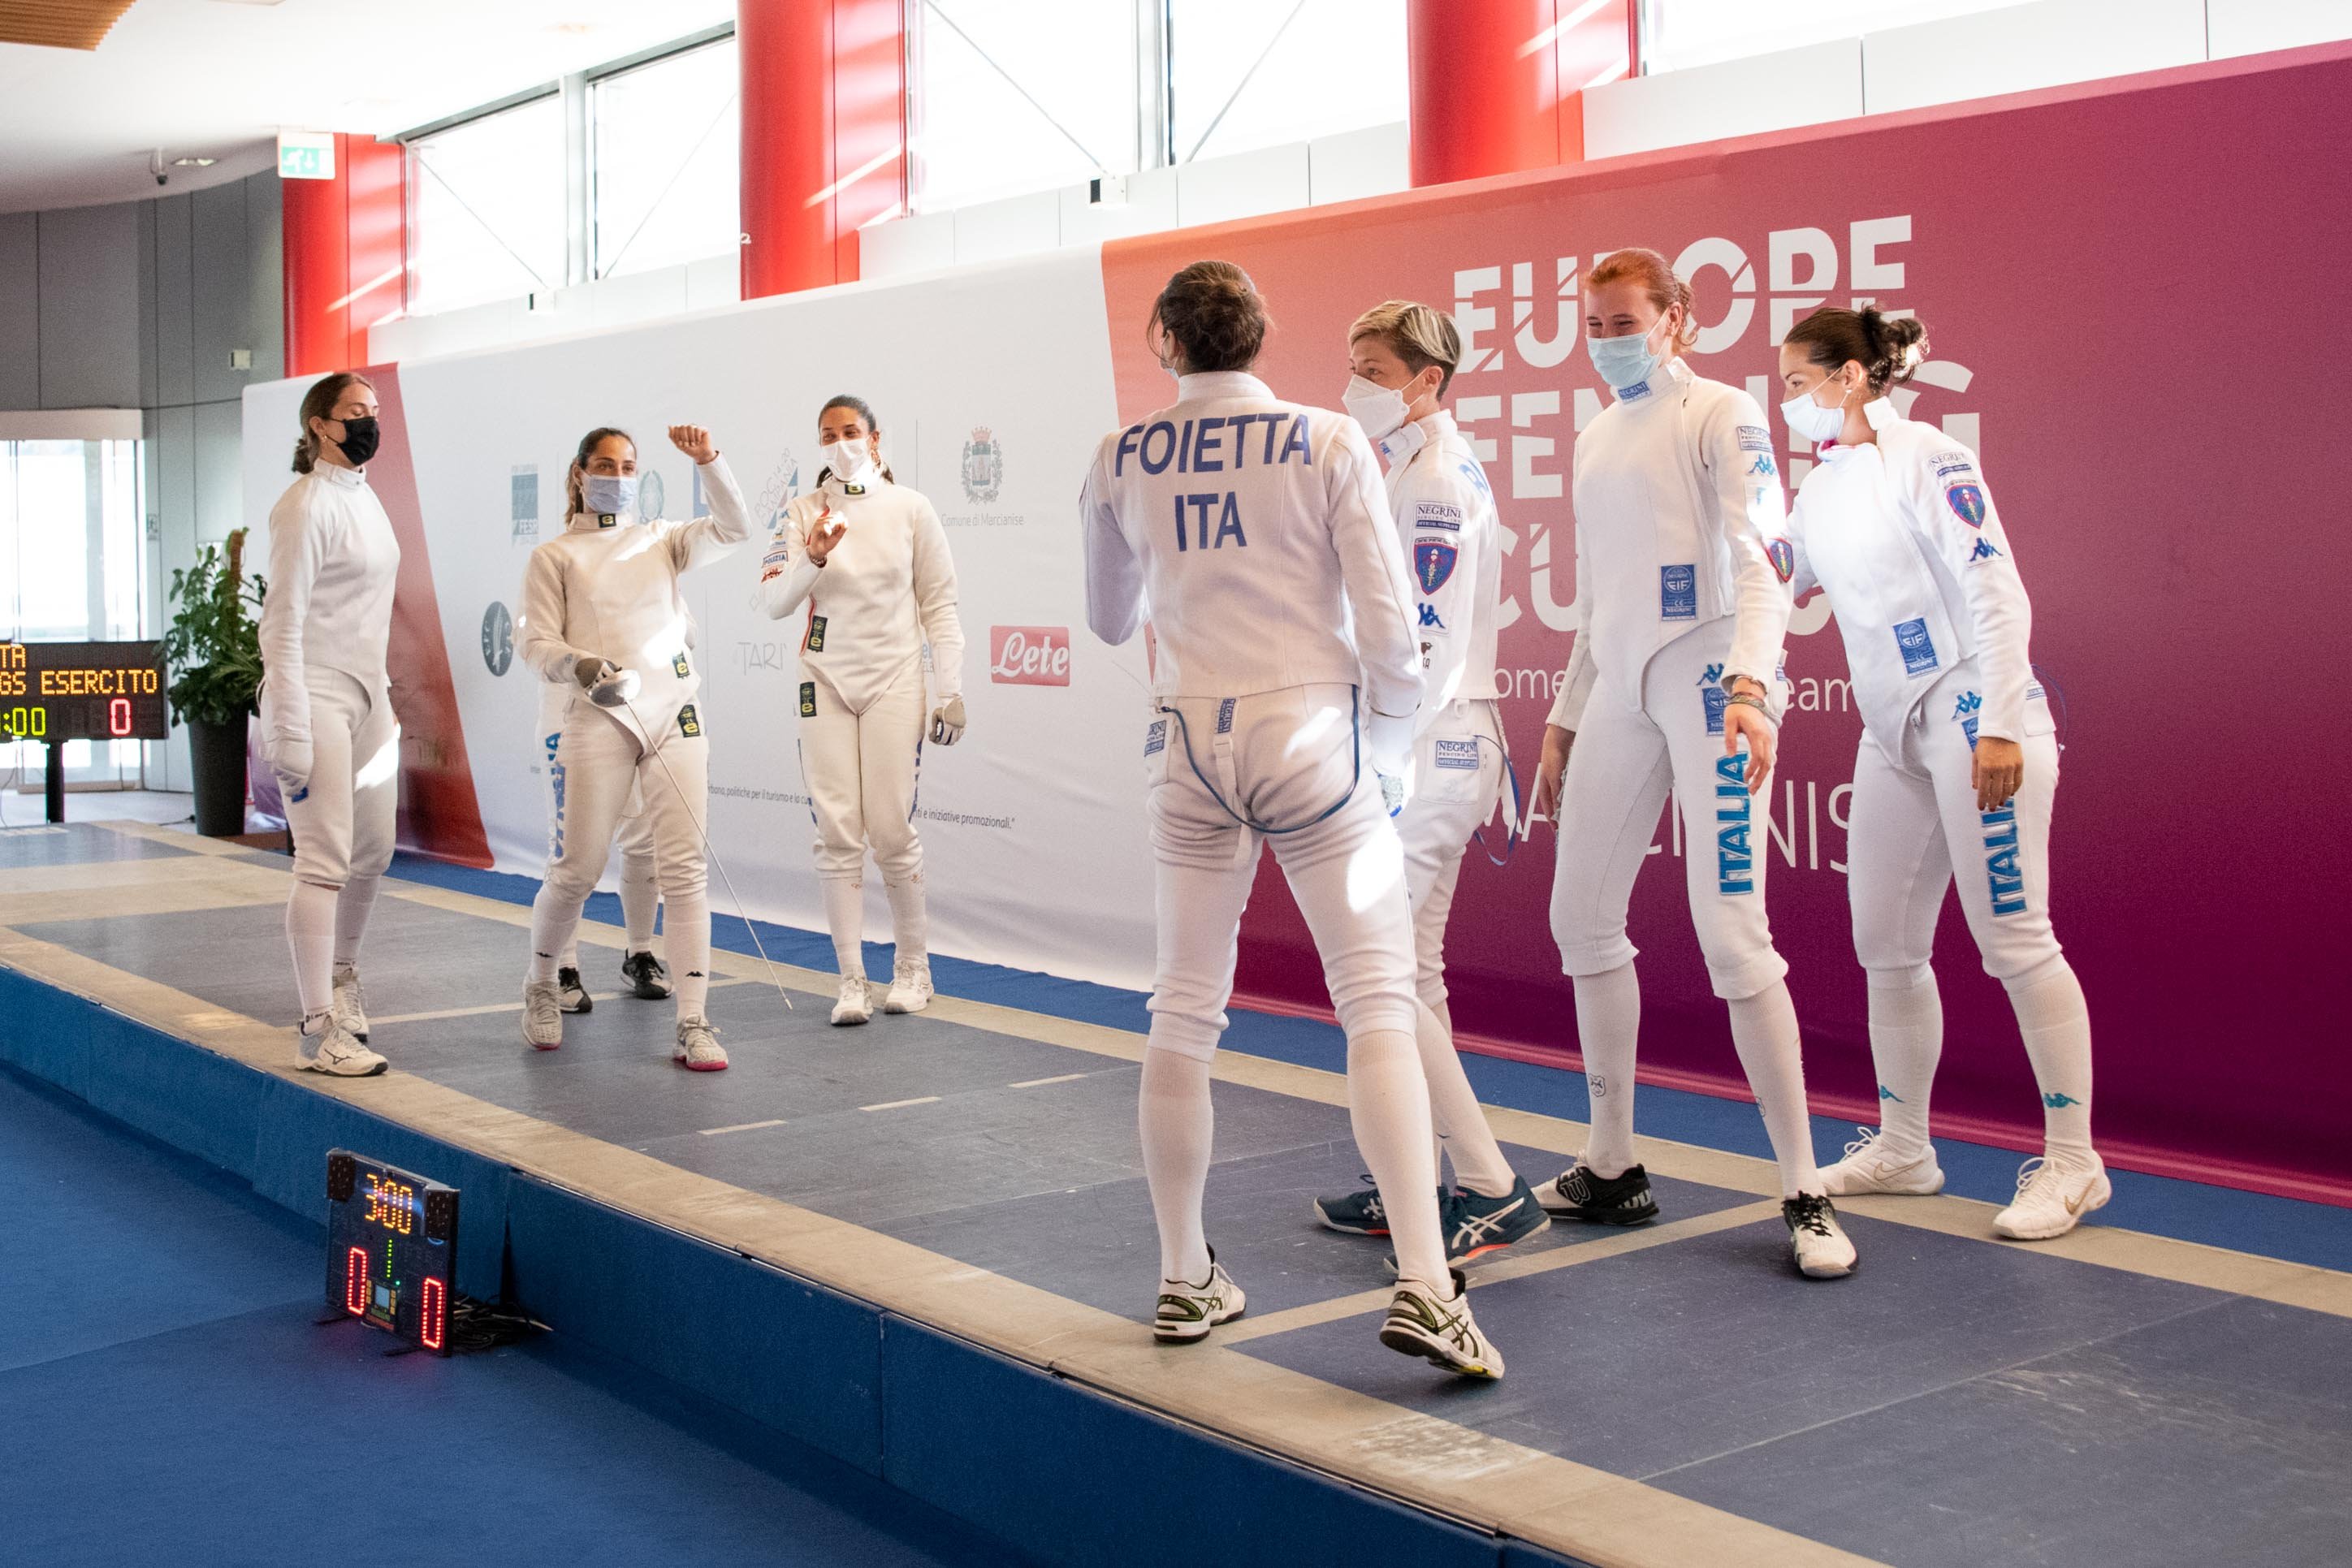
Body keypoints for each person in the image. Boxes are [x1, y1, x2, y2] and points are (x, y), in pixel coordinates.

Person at [1081, 260, 1502, 1378]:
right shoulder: (1327, 438)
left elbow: (1111, 618)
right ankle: (1428, 1284)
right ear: (1260, 334)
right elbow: (1389, 629)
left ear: (1167, 339)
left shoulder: (1121, 453)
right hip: (1313, 737)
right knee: (1377, 999)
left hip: (1189, 738)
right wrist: (1391, 750)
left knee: (1183, 1007)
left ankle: (1184, 1272)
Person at [1528, 247, 1856, 1279]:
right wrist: (1564, 719)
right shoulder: (1593, 436)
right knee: (1578, 917)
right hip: (1622, 688)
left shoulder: (1722, 412)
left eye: (1624, 321)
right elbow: (1597, 598)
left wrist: (1752, 684)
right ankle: (1610, 1163)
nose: (1605, 340)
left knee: (1729, 928)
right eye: (1594, 324)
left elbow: (1764, 560)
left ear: (1676, 318)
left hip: (1712, 678)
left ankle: (1803, 1186)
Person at [1777, 306, 2103, 1240]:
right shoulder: (1819, 488)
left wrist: (1998, 723)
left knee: (2014, 939)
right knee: (1882, 941)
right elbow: (1773, 577)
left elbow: (1994, 586)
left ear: (1848, 375)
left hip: (1974, 718)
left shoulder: (1927, 455)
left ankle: (2074, 1161)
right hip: (1892, 732)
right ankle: (1904, 1145)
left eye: (1797, 382)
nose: (1788, 400)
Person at [1314, 300, 1547, 1265]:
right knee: (1410, 974)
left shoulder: (1437, 478)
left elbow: (1429, 644)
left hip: (1432, 748)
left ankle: (1490, 1186)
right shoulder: (1408, 465)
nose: (1354, 386)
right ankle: (1412, 1168)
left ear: (1426, 381)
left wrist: (1380, 761)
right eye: (1352, 365)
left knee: (1381, 973)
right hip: (1437, 746)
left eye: (1372, 369)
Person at [517, 422, 750, 1069]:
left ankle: (693, 1019)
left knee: (685, 869)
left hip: (675, 713)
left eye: (627, 467)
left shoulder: (661, 539)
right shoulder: (555, 556)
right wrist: (578, 663)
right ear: (579, 473)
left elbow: (734, 529)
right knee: (578, 869)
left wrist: (710, 461)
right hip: (600, 714)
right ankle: (541, 982)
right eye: (604, 465)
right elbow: (535, 644)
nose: (617, 477)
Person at [757, 395, 966, 1027]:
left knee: (891, 828)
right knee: (837, 830)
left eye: (851, 431)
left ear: (875, 439)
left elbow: (940, 605)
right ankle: (851, 979)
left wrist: (951, 689)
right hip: (824, 679)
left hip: (894, 679)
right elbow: (774, 602)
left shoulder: (911, 508)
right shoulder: (803, 512)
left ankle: (914, 968)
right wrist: (815, 556)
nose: (841, 442)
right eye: (829, 434)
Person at [260, 372, 400, 1078]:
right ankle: (318, 1031)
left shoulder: (365, 496)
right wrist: (288, 725)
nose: (370, 421)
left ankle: (342, 978)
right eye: (355, 411)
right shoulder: (303, 506)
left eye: (374, 410)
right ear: (319, 424)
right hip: (313, 694)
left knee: (373, 850)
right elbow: (280, 624)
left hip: (369, 697)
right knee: (323, 860)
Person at [536, 678, 671, 1013]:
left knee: (643, 836)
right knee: (567, 844)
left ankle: (640, 952)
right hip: (569, 707)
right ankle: (562, 969)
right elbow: (540, 654)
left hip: (636, 710)